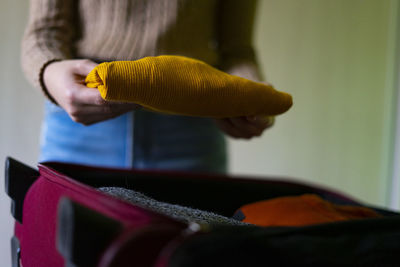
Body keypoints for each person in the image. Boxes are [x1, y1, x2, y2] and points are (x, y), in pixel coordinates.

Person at [21, 0, 273, 173]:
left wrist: (252, 96)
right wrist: (50, 72)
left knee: (188, 249)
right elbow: (44, 33)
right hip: (80, 121)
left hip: (190, 132)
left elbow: (237, 50)